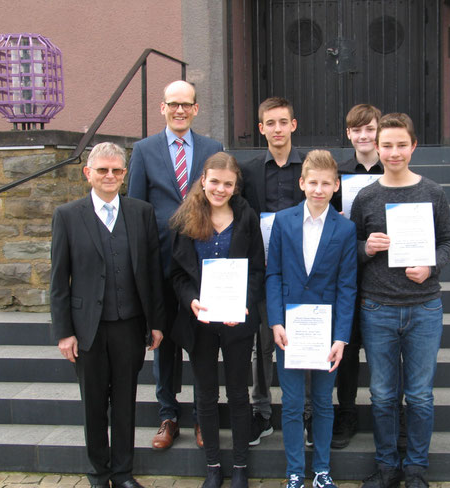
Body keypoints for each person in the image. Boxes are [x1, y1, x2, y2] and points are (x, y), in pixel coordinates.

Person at [350, 114, 450, 488]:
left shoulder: (432, 192)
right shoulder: (366, 196)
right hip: (377, 308)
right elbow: (351, 249)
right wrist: (366, 247)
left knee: (420, 396)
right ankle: (386, 467)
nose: (394, 152)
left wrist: (432, 266)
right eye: (387, 145)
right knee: (381, 396)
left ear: (413, 147)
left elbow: (449, 241)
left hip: (424, 307)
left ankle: (415, 468)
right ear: (376, 148)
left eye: (401, 145)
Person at [50, 142, 165, 488]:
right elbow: (58, 279)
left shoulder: (141, 212)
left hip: (130, 325)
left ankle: (123, 473)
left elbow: (152, 272)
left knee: (126, 403)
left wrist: (156, 322)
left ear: (125, 175)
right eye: (102, 170)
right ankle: (99, 474)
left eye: (117, 170)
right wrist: (64, 332)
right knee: (94, 405)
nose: (110, 176)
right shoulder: (68, 215)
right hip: (88, 329)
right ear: (89, 173)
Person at [128, 80, 223, 450]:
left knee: (201, 345)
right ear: (162, 107)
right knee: (163, 343)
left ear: (196, 108)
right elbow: (135, 210)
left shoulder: (213, 149)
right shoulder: (144, 150)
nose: (179, 110)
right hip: (160, 266)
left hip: (202, 268)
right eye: (173, 104)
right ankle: (168, 416)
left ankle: (202, 417)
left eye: (186, 104)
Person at [169, 152, 265, 488]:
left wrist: (244, 304)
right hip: (200, 322)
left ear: (236, 184)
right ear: (203, 180)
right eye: (214, 182)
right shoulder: (187, 218)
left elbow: (257, 270)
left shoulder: (246, 217)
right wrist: (191, 301)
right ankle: (212, 465)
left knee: (239, 394)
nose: (220, 189)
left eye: (227, 183)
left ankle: (239, 465)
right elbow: (178, 274)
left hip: (237, 322)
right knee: (205, 395)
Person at [266, 150, 357, 488]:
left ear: (336, 185)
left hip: (325, 329)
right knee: (291, 403)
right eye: (312, 182)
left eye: (326, 183)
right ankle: (293, 471)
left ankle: (321, 470)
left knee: (322, 401)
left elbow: (347, 286)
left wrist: (341, 337)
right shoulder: (284, 221)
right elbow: (273, 273)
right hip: (288, 327)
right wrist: (275, 320)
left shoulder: (345, 229)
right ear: (302, 183)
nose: (319, 189)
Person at [239, 96, 306, 446]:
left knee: (304, 340)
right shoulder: (248, 171)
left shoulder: (310, 165)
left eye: (284, 122)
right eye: (270, 123)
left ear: (293, 125)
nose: (277, 129)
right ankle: (261, 412)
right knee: (262, 344)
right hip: (264, 271)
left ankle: (306, 413)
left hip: (304, 273)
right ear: (261, 128)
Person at [331, 104, 383, 449]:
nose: (364, 136)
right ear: (348, 134)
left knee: (383, 354)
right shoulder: (338, 175)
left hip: (382, 272)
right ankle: (346, 413)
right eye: (357, 130)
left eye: (370, 129)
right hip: (347, 272)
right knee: (347, 351)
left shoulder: (391, 168)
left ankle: (388, 416)